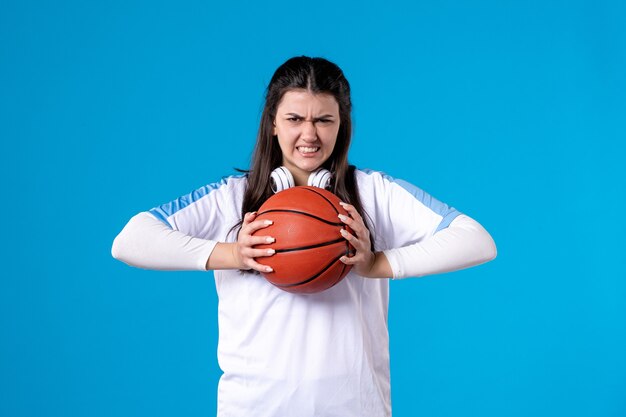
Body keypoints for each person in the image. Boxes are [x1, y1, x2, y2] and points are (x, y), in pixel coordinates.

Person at [111, 56, 497, 417]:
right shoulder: (231, 198)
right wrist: (234, 253)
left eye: (324, 120)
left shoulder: (374, 192)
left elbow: (477, 240)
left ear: (342, 124)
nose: (309, 134)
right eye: (295, 118)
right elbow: (130, 240)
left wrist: (379, 262)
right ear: (273, 122)